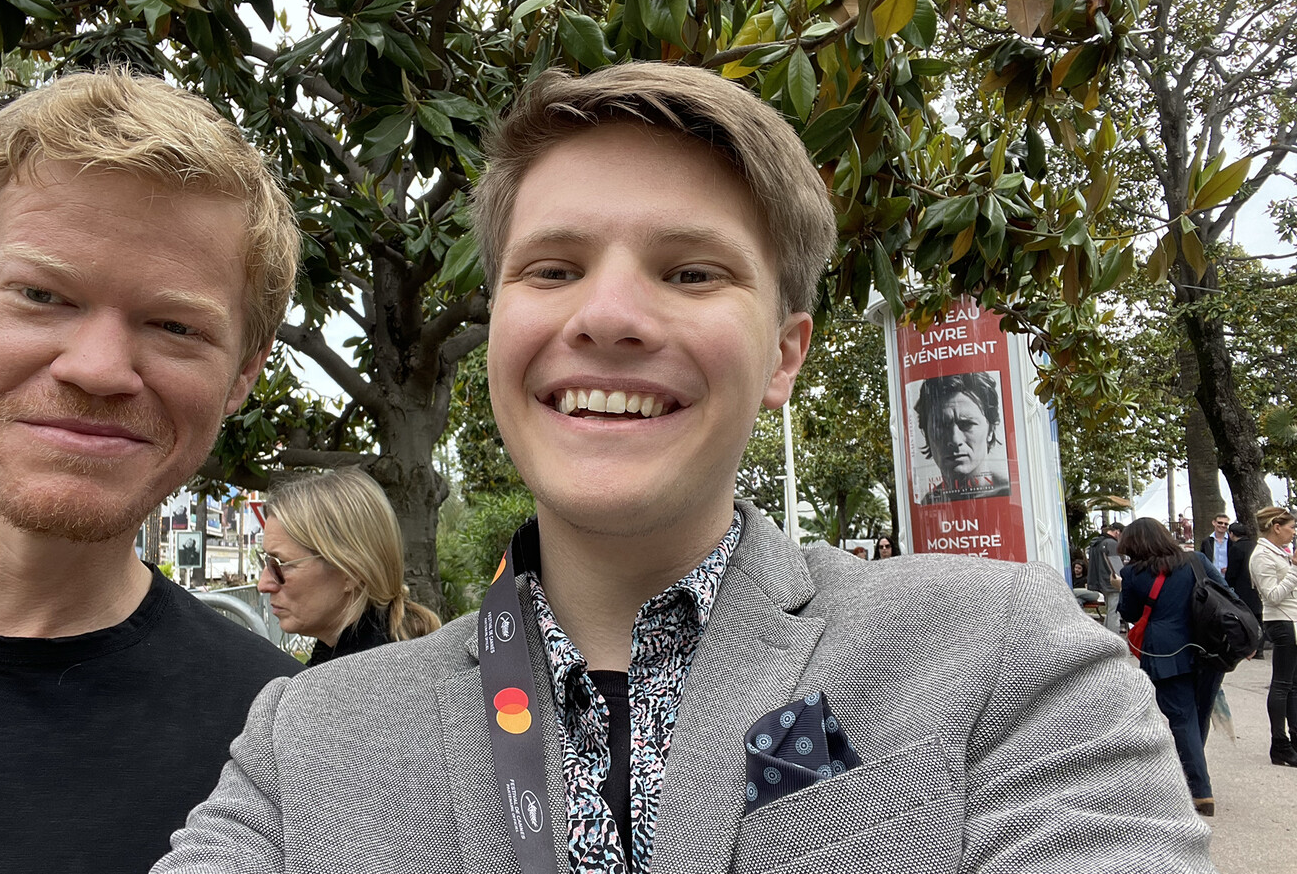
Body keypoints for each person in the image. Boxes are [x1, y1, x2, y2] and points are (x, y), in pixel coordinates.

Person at [156, 63, 1213, 873]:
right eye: (553, 268)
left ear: (784, 355)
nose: (608, 314)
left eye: (692, 272)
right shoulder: (307, 741)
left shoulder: (999, 656)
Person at [0, 70, 305, 873]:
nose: (98, 368)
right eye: (42, 294)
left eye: (175, 326)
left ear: (244, 371)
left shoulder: (281, 746)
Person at [259, 468, 441, 666]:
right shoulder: (350, 657)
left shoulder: (371, 676)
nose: (263, 584)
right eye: (266, 562)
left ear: (351, 571)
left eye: (279, 565)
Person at [1117, 517, 1231, 815]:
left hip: (1165, 651)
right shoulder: (1196, 560)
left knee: (1182, 718)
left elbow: (1129, 612)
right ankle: (1193, 775)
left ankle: (1199, 790)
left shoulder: (1133, 573)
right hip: (1209, 646)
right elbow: (1226, 593)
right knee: (1198, 714)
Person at [913, 372, 1011, 504]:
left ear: (991, 429)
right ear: (926, 433)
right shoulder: (927, 504)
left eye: (966, 424)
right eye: (941, 426)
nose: (955, 440)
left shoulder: (1012, 496)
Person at [1250, 506, 1297, 768]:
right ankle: (1279, 743)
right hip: (1281, 620)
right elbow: (1273, 595)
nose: (1293, 532)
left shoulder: (1280, 552)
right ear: (1276, 527)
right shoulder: (1261, 555)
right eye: (1291, 527)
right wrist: (1294, 569)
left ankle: (1294, 740)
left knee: (1293, 685)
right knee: (1282, 683)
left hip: (1292, 619)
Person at [1223, 521, 1264, 658]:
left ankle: (1248, 646)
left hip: (1242, 587)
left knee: (1245, 618)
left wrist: (1227, 584)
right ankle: (1259, 648)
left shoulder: (1236, 548)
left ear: (1231, 534)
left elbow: (1232, 572)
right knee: (1258, 617)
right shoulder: (1254, 546)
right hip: (1256, 586)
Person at [1087, 522, 1125, 633]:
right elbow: (1117, 567)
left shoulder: (1096, 542)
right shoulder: (1111, 543)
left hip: (1101, 582)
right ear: (1117, 532)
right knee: (1114, 613)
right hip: (1113, 583)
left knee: (1110, 611)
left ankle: (1107, 636)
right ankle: (1114, 639)